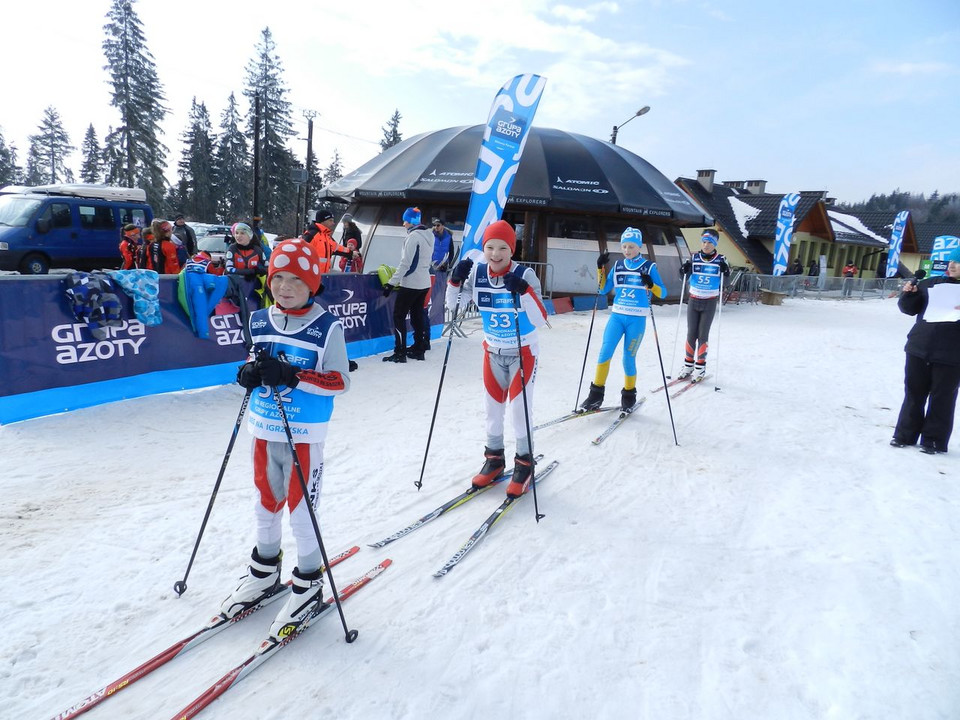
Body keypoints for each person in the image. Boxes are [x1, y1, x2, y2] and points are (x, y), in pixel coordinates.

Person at [222, 239, 351, 639]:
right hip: (263, 429)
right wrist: (247, 373)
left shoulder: (327, 327)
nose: (285, 286)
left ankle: (309, 582)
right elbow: (254, 358)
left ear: (312, 283)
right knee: (265, 503)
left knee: (301, 511)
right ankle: (264, 570)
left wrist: (294, 376)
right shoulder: (259, 318)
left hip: (303, 436)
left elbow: (339, 381)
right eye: (278, 277)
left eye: (296, 279)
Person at [446, 220, 548, 497]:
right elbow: (452, 305)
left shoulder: (525, 273)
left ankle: (524, 463)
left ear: (511, 249)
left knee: (518, 411)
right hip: (492, 351)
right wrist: (454, 281)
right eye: (490, 247)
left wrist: (524, 291)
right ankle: (494, 460)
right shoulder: (478, 273)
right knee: (492, 411)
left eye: (503, 247)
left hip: (522, 352)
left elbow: (540, 318)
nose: (495, 253)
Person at [580, 227, 666, 412]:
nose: (627, 250)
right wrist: (600, 267)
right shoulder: (618, 266)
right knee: (605, 353)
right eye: (624, 246)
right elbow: (603, 289)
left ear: (639, 246)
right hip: (617, 317)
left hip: (636, 320)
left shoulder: (648, 266)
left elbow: (663, 292)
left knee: (628, 358)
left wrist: (651, 285)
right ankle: (595, 396)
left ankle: (629, 395)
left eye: (631, 246)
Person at [891, 250, 960, 454]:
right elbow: (909, 309)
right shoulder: (931, 283)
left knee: (942, 397)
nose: (952, 265)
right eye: (951, 261)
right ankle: (904, 435)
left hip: (951, 354)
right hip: (919, 347)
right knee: (913, 393)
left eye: (958, 262)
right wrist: (908, 294)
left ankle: (933, 441)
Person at [382, 207, 434, 362]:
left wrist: (391, 283)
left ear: (410, 221)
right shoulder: (429, 235)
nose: (403, 224)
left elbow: (406, 264)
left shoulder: (413, 237)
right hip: (424, 282)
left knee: (399, 316)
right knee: (417, 316)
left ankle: (400, 352)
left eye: (405, 220)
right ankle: (419, 349)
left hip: (411, 283)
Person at [678, 228, 730, 380]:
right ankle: (688, 365)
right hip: (694, 299)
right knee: (690, 333)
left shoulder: (721, 259)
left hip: (709, 301)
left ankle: (700, 367)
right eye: (704, 242)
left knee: (702, 334)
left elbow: (726, 283)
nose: (706, 245)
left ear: (715, 244)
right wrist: (683, 271)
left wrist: (725, 272)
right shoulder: (694, 258)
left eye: (710, 243)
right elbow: (684, 278)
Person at [225, 222, 269, 308]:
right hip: (236, 287)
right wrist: (250, 272)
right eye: (236, 233)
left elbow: (267, 267)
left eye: (242, 233)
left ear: (249, 235)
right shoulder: (232, 249)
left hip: (253, 288)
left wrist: (259, 271)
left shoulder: (257, 250)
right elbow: (229, 269)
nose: (238, 236)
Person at [301, 210, 354, 275]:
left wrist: (351, 253)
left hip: (323, 276)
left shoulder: (326, 236)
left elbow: (338, 248)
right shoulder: (312, 235)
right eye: (330, 220)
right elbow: (301, 253)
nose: (333, 223)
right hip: (311, 276)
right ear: (323, 221)